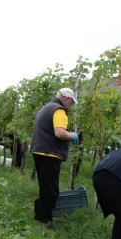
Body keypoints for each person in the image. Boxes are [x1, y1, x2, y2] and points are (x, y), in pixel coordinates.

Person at [30, 88, 78, 229]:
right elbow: (59, 133)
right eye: (71, 102)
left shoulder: (47, 107)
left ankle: (39, 213)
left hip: (40, 150)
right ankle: (46, 219)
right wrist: (72, 136)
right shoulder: (59, 110)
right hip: (49, 153)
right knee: (51, 189)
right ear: (67, 99)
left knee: (45, 185)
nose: (71, 105)